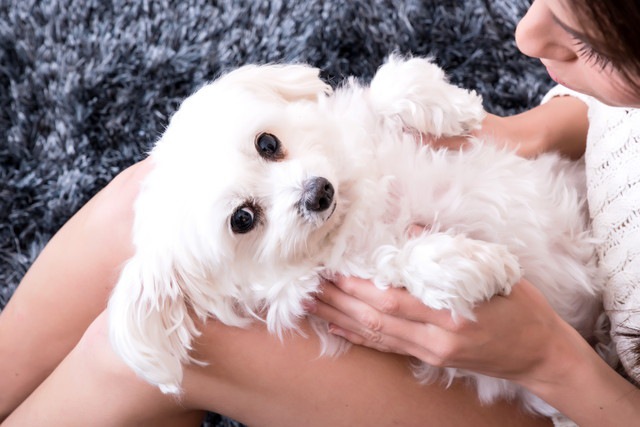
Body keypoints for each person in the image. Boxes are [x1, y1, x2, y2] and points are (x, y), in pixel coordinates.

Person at [1, 0, 639, 425]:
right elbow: (620, 116)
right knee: (152, 198)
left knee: (192, 331)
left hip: (576, 385)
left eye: (594, 47)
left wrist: (545, 361)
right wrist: (535, 129)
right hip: (555, 226)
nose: (525, 36)